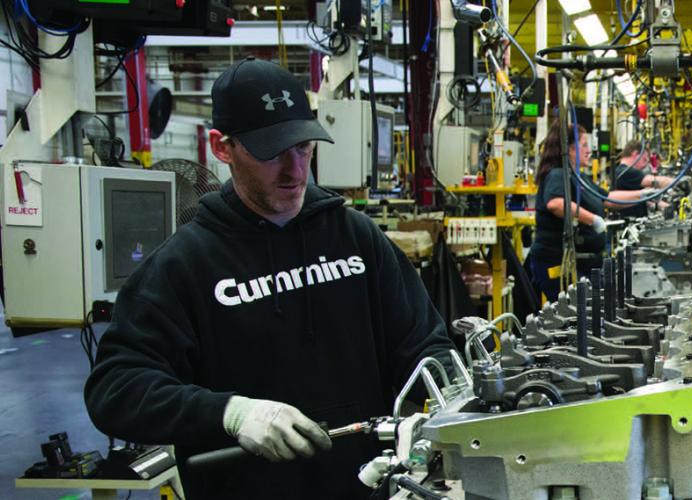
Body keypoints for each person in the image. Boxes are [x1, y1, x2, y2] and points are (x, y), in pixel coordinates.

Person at [84, 57, 455, 500]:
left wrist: (451, 398)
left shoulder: (356, 240)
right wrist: (230, 413)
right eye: (272, 153)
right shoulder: (183, 266)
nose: (295, 171)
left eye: (303, 148)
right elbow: (116, 387)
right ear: (223, 148)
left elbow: (424, 343)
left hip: (368, 488)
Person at [528, 122, 652, 302]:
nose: (589, 150)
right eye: (584, 145)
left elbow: (608, 198)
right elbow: (555, 203)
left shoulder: (579, 177)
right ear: (568, 149)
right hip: (557, 263)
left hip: (583, 262)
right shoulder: (557, 174)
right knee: (574, 314)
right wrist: (592, 219)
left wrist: (643, 194)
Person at [613, 139, 676, 218]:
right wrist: (679, 182)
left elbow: (643, 198)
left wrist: (667, 207)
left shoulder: (619, 171)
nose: (645, 165)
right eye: (644, 160)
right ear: (636, 154)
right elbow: (654, 181)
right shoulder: (626, 172)